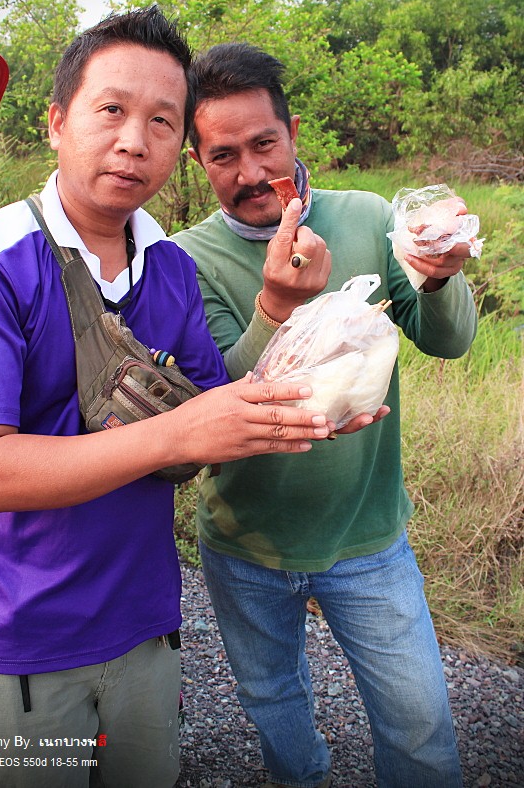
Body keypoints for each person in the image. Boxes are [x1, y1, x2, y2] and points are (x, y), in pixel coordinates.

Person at [0, 12, 332, 788]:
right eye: (111, 110)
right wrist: (179, 436)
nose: (133, 140)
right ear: (56, 121)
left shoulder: (169, 268)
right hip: (24, 649)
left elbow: (216, 405)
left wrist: (313, 390)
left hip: (147, 629)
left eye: (161, 121)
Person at [171, 42, 478, 788]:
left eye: (264, 144)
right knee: (273, 701)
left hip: (367, 538)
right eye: (222, 155)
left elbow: (449, 343)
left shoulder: (368, 217)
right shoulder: (188, 260)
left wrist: (438, 280)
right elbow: (219, 402)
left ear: (293, 132)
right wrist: (277, 306)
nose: (249, 173)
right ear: (196, 162)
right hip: (246, 544)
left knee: (419, 726)